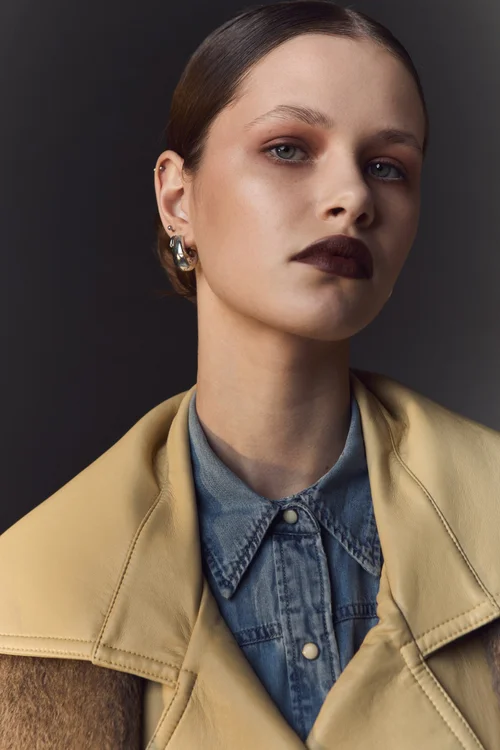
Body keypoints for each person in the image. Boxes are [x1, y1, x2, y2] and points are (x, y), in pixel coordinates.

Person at [1, 1, 499, 748]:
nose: (354, 198)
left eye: (387, 167)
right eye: (289, 149)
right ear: (177, 198)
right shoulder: (31, 592)